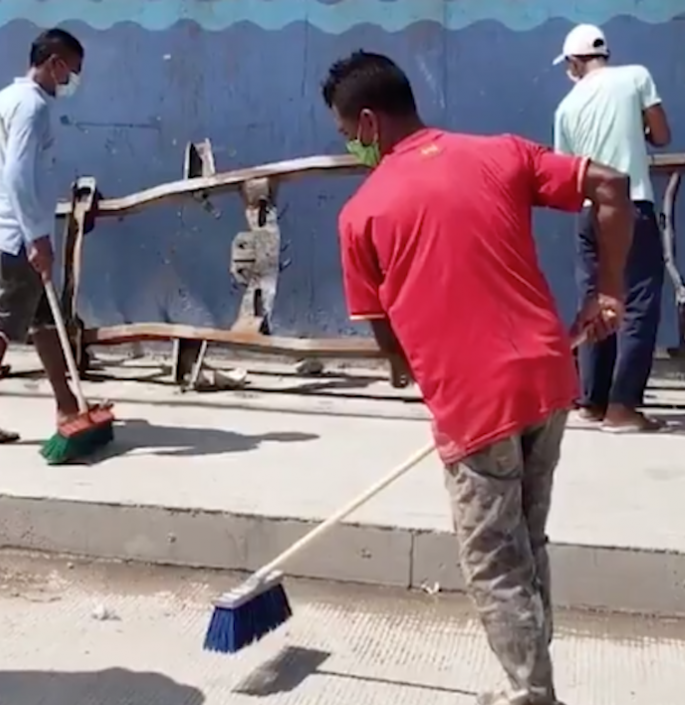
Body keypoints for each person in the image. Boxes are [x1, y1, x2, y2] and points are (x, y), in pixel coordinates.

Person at [323, 51, 632, 705]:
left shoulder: (360, 214)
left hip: (474, 402)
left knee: (494, 561)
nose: (351, 145)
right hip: (549, 381)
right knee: (527, 538)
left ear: (371, 123)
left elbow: (384, 332)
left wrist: (408, 370)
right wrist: (608, 294)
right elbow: (609, 184)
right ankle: (533, 680)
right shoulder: (501, 152)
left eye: (349, 132)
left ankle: (531, 692)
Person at [0, 28, 86, 446]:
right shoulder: (31, 107)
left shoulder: (1, 102)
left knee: (46, 323)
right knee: (1, 328)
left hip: (3, 230)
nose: (71, 82)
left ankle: (67, 404)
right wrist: (36, 236)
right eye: (72, 72)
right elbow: (17, 174)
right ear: (55, 63)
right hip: (19, 239)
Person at [552, 23, 672, 432]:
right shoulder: (636, 77)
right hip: (631, 204)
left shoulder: (565, 108)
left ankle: (593, 400)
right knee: (637, 302)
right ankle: (623, 408)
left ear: (574, 62)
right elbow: (661, 134)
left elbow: (565, 171)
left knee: (593, 300)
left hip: (588, 212)